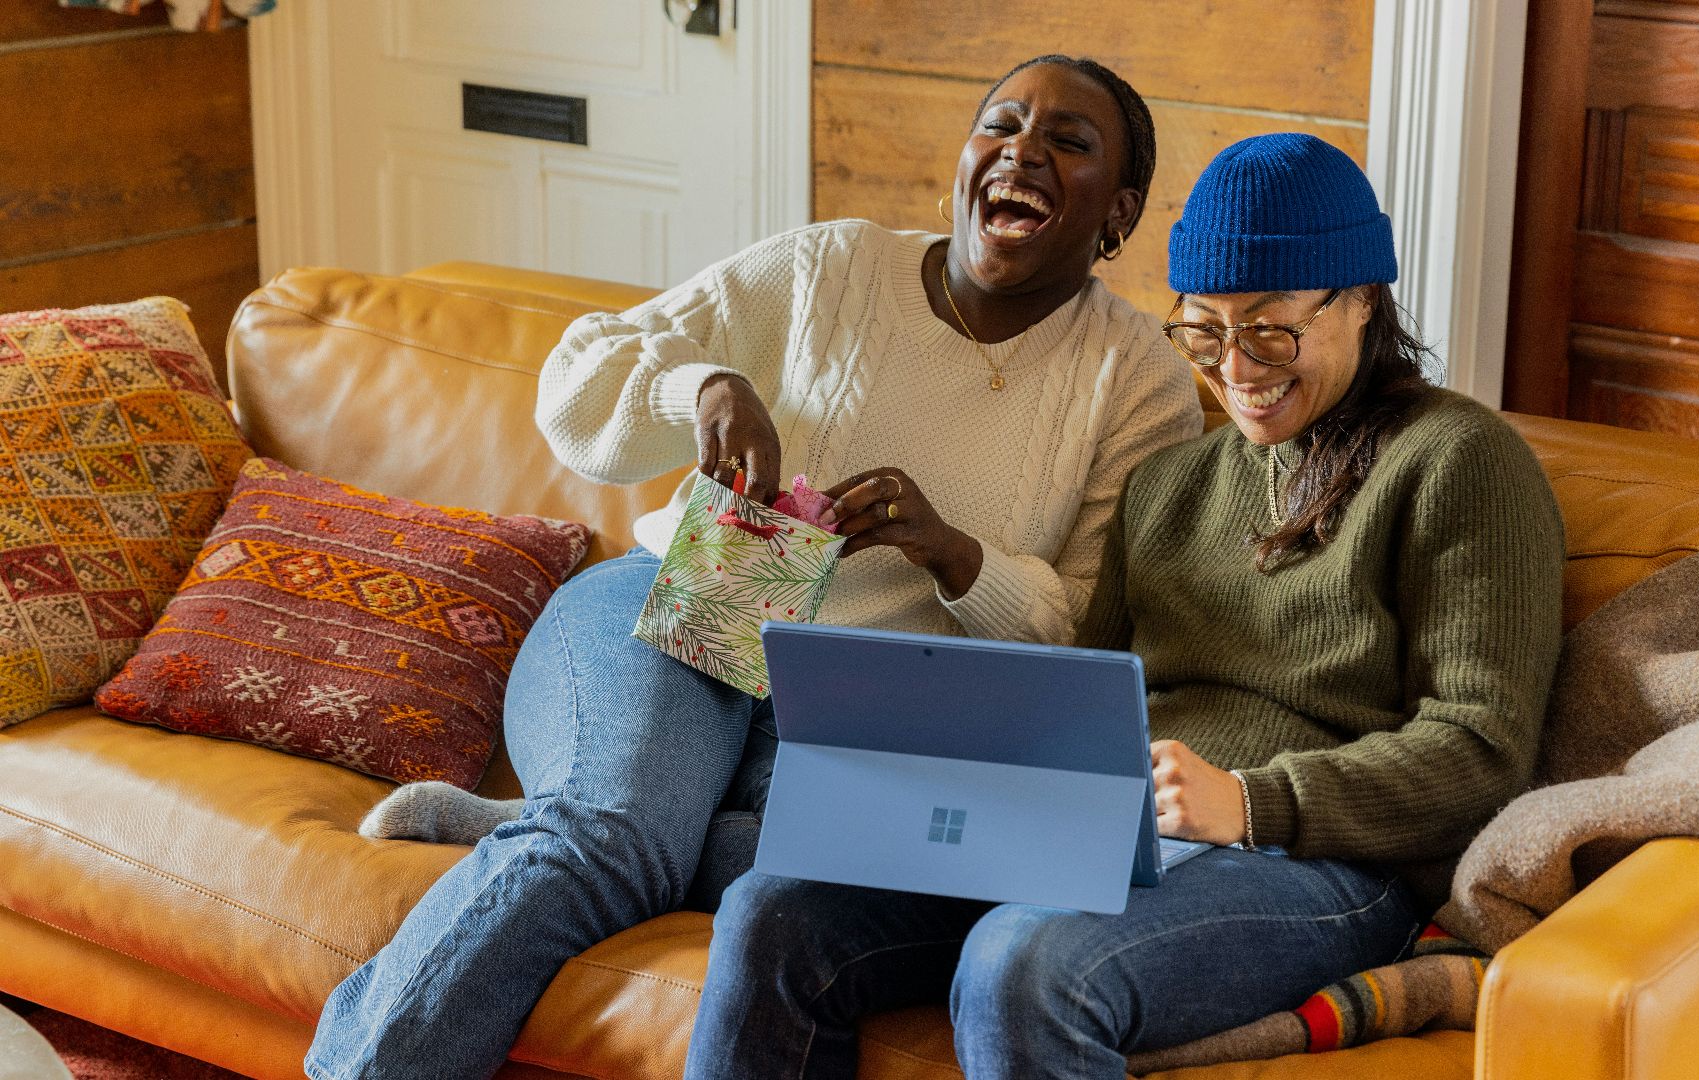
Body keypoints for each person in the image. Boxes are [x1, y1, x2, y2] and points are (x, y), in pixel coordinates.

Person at [302, 55, 1202, 1080]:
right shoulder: (833, 267)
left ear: (1118, 211)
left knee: (832, 868)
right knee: (610, 842)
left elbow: (1089, 630)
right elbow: (576, 377)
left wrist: (955, 555)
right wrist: (704, 388)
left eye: (1068, 143)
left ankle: (569, 818)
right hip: (683, 603)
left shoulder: (1139, 380)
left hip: (863, 712)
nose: (1022, 151)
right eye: (1000, 125)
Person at [684, 133, 1565, 1080]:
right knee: (772, 910)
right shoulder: (1167, 486)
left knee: (1025, 965)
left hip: (1323, 863)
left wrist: (1254, 803)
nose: (1237, 369)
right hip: (1110, 835)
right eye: (1205, 331)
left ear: (1361, 299)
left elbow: (1482, 749)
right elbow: (1080, 699)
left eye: (1270, 330)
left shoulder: (1459, 461)